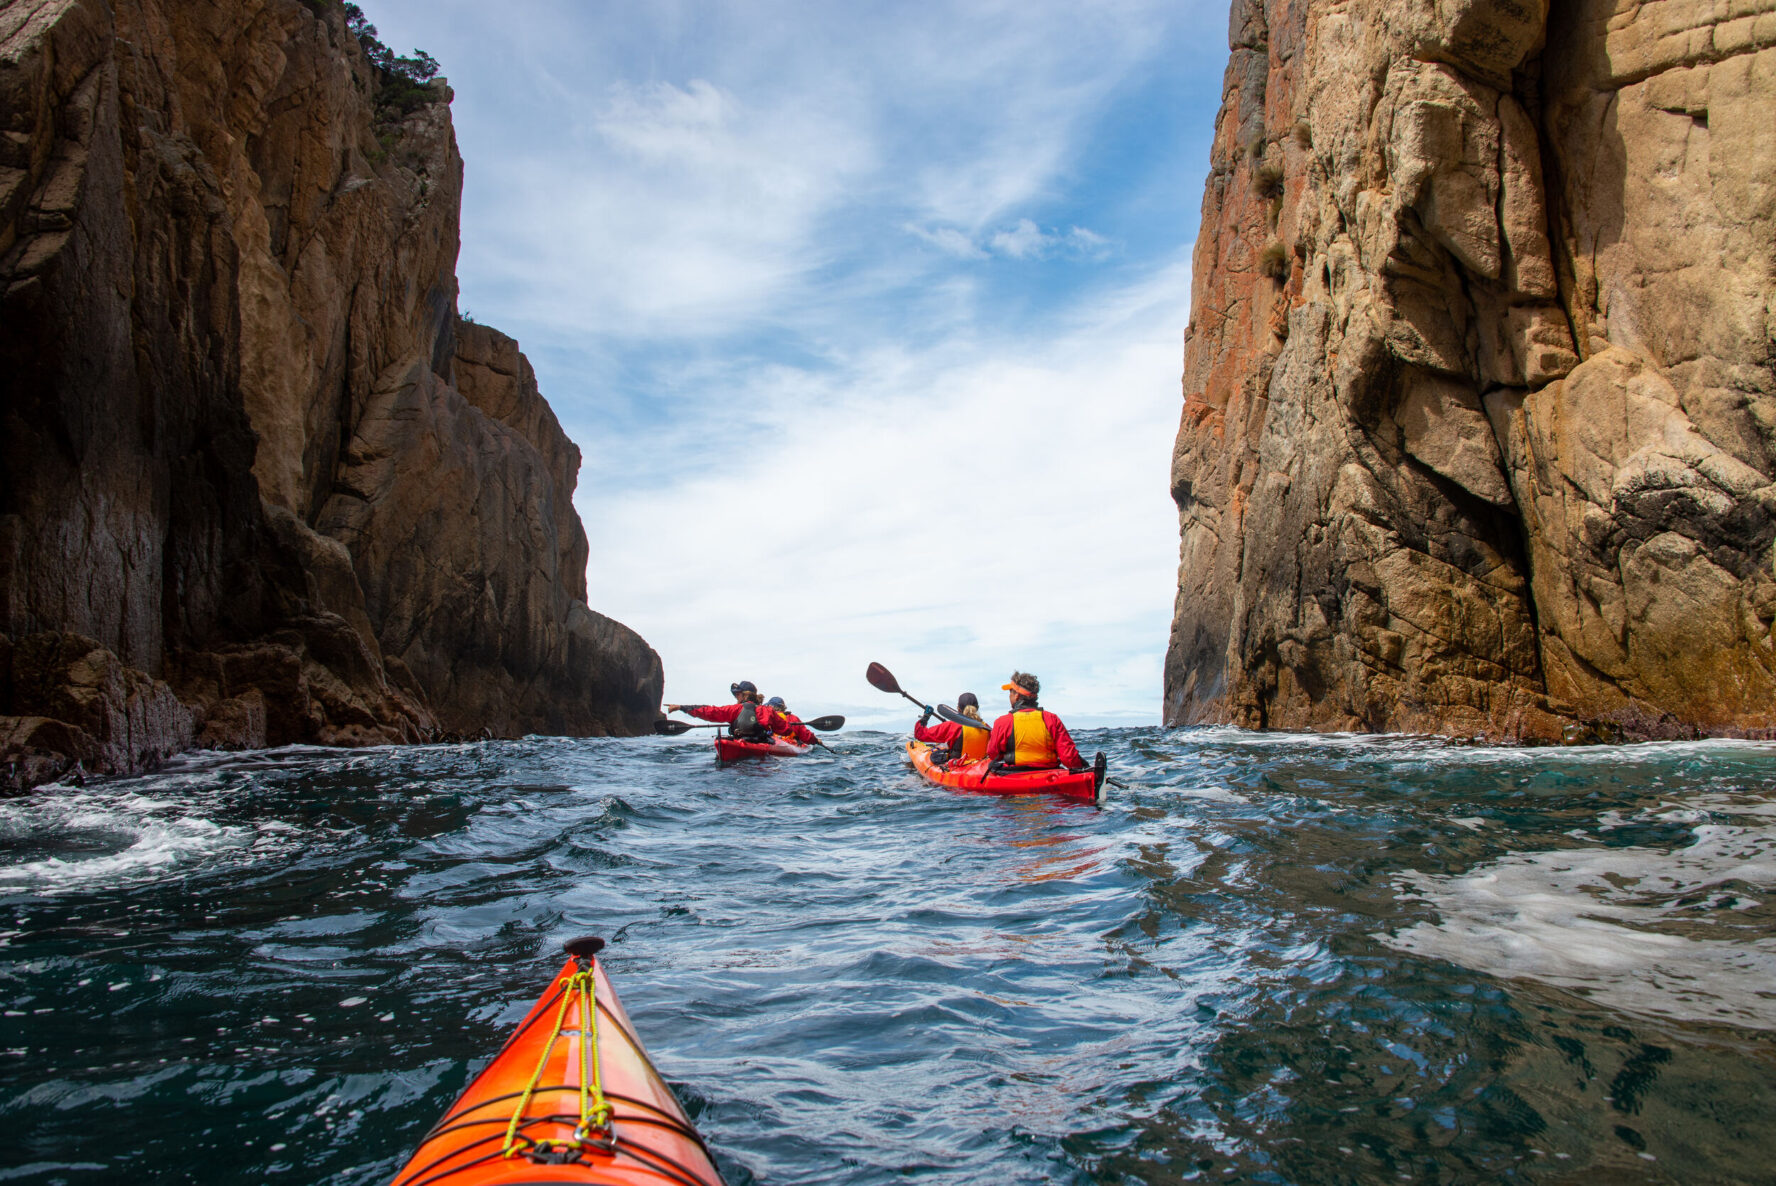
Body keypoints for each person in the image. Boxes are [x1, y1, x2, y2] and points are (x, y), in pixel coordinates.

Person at [986, 672, 1085, 771]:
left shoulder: (1002, 722)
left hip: (1013, 776)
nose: (1009, 696)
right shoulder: (1051, 719)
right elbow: (1069, 758)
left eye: (1010, 692)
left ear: (1016, 695)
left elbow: (993, 754)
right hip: (1048, 776)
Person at [667, 681, 791, 741]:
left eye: (737, 694)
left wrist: (682, 707)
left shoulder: (735, 709)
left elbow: (709, 711)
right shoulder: (766, 711)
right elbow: (785, 730)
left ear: (745, 695)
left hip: (740, 742)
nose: (736, 697)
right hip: (761, 747)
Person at [913, 692, 990, 765]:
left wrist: (926, 716)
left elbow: (920, 735)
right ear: (977, 708)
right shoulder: (986, 727)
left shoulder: (952, 726)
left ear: (958, 709)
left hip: (957, 767)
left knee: (936, 755)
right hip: (979, 767)